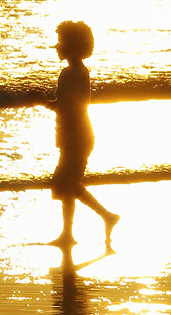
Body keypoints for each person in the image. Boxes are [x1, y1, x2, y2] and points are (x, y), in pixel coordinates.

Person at [45, 20, 118, 248]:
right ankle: (67, 234)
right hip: (74, 134)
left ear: (72, 46)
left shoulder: (71, 73)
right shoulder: (78, 71)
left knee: (66, 184)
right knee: (67, 187)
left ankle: (106, 215)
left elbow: (68, 104)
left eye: (61, 42)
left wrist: (40, 101)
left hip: (76, 136)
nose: (57, 46)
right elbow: (70, 104)